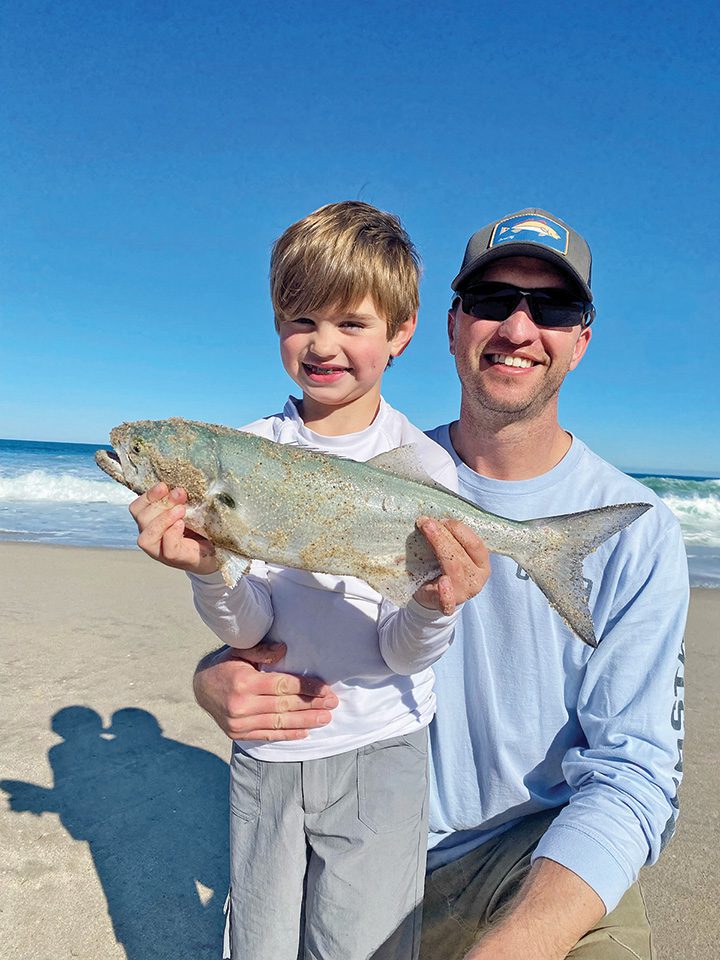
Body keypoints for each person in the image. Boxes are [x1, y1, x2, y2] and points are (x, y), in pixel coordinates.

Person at [193, 207, 689, 960]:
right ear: (452, 326)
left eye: (551, 308)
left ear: (581, 341)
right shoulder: (369, 470)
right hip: (375, 837)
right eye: (493, 301)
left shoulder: (639, 530)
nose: (519, 329)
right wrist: (214, 678)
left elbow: (634, 772)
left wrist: (520, 944)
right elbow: (285, 595)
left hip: (523, 862)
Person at [128, 201, 490, 960]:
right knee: (258, 943)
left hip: (384, 749)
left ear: (401, 331)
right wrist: (208, 569)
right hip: (269, 752)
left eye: (351, 323)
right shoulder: (247, 450)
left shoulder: (423, 469)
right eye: (301, 320)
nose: (323, 344)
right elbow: (251, 633)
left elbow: (403, 654)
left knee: (364, 947)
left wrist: (431, 605)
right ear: (275, 325)